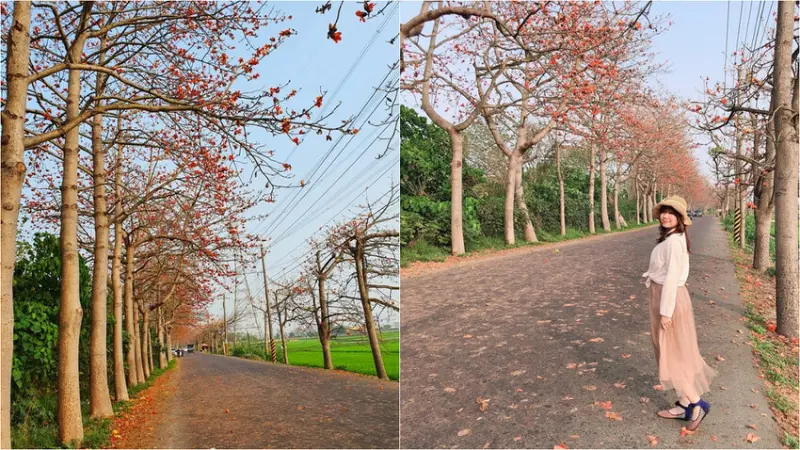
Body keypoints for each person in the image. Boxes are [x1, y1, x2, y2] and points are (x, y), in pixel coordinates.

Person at [642, 195, 716, 431]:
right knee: (674, 353)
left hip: (669, 299)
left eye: (671, 213)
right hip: (664, 296)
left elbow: (672, 278)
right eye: (664, 211)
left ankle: (696, 403)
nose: (666, 215)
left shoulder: (674, 241)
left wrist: (666, 312)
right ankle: (685, 404)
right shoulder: (672, 238)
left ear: (680, 218)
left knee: (672, 356)